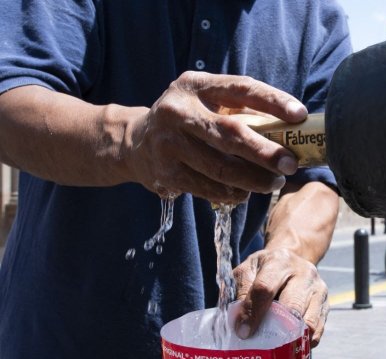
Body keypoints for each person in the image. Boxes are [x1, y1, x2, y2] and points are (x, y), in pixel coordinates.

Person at [0, 0, 351, 357]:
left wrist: (287, 253)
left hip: (230, 342)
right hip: (60, 338)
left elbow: (316, 178)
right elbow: (9, 108)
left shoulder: (317, 16)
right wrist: (133, 140)